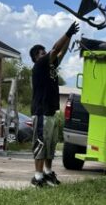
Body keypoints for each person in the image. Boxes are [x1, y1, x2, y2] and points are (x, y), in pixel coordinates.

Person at [29, 20, 79, 187]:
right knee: (41, 145)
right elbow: (56, 49)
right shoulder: (39, 66)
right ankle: (37, 178)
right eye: (42, 53)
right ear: (37, 57)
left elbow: (61, 53)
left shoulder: (50, 67)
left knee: (50, 146)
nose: (46, 54)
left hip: (50, 112)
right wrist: (67, 33)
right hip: (41, 113)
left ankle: (48, 173)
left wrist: (70, 36)